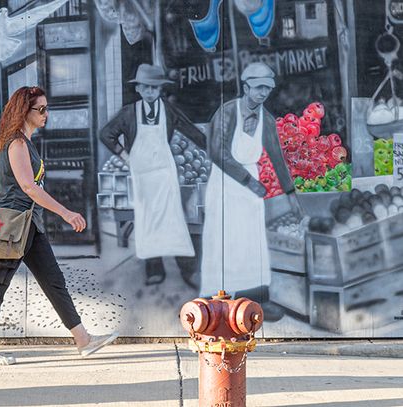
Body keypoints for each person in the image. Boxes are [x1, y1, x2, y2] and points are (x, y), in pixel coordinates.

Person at [0, 86, 118, 365]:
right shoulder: (16, 143)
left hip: (29, 225)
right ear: (25, 111)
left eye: (46, 108)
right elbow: (28, 186)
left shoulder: (25, 142)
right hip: (13, 227)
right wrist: (65, 212)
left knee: (54, 282)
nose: (46, 114)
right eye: (41, 109)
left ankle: (83, 340)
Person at [201, 62, 300, 319]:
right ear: (245, 87)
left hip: (250, 187)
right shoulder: (227, 112)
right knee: (222, 242)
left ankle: (255, 300)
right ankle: (216, 303)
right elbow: (216, 151)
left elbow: (277, 156)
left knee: (252, 242)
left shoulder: (266, 119)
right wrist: (248, 181)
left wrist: (291, 194)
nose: (263, 93)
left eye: (267, 88)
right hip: (225, 183)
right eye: (258, 88)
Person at [99, 64, 206, 288]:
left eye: (154, 88)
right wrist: (124, 155)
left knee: (173, 219)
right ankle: (154, 270)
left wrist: (211, 149)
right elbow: (106, 134)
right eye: (146, 87)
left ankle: (188, 270)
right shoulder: (129, 112)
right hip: (143, 176)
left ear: (160, 90)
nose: (150, 92)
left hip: (165, 174)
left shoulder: (168, 110)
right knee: (148, 222)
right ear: (138, 89)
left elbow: (190, 130)